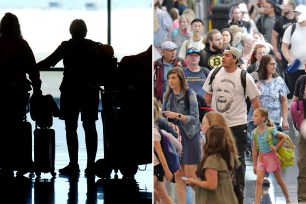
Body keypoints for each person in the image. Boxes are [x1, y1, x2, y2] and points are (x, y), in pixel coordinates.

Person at [37, 19, 100, 176]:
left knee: (71, 128)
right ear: (85, 31)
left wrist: (31, 67)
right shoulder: (95, 46)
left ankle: (73, 164)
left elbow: (49, 61)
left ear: (71, 31)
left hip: (70, 91)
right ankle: (91, 164)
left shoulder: (66, 46)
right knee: (90, 127)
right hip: (90, 91)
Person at [203, 46, 261, 192]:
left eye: (227, 56)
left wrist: (259, 121)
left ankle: (239, 190)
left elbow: (255, 101)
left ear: (235, 59)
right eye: (223, 55)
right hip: (217, 125)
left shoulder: (244, 76)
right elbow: (208, 98)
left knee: (238, 157)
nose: (223, 58)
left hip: (238, 123)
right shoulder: (214, 73)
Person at [0, 12, 42, 177]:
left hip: (2, 92)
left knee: (3, 127)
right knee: (16, 126)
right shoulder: (22, 45)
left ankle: (5, 163)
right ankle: (20, 160)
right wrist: (37, 89)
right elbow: (32, 69)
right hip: (17, 92)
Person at [162, 67, 202, 204]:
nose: (170, 81)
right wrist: (168, 124)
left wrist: (178, 116)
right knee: (178, 175)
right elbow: (162, 118)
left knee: (191, 176)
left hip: (190, 137)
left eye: (173, 78)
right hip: (174, 138)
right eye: (169, 78)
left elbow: (195, 119)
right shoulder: (167, 96)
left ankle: (207, 198)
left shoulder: (190, 94)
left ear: (180, 79)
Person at [185, 125, 240, 204]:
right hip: (228, 196)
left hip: (214, 199)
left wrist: (195, 181)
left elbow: (212, 185)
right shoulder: (230, 156)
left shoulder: (212, 160)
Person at [251, 108, 290, 204]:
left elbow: (283, 137)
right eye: (253, 116)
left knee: (279, 181)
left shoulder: (271, 130)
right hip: (261, 159)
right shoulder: (254, 133)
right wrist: (255, 165)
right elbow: (254, 150)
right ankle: (257, 202)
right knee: (259, 182)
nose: (253, 118)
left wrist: (276, 147)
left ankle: (288, 199)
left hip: (272, 158)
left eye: (256, 116)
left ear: (263, 118)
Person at [281, 4, 306, 99]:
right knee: (294, 95)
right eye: (296, 14)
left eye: (300, 14)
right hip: (295, 68)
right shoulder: (291, 29)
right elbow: (284, 46)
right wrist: (289, 58)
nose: (297, 16)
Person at [291, 61, 306, 202]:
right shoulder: (301, 80)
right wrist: (296, 116)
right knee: (302, 164)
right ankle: (302, 199)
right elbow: (294, 102)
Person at [271, 0, 296, 75]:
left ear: (291, 7)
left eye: (284, 5)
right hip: (286, 51)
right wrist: (276, 51)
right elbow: (274, 37)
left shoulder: (299, 19)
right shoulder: (279, 21)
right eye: (282, 5)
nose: (282, 7)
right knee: (289, 74)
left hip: (299, 51)